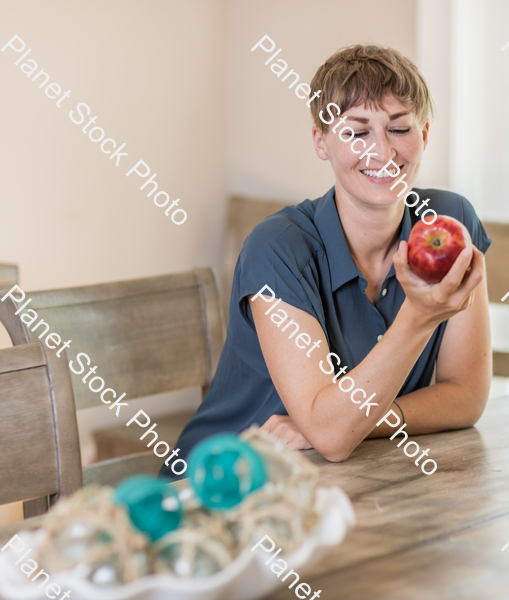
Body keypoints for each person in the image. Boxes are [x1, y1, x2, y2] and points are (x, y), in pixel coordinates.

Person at [161, 45, 491, 478]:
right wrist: (421, 317)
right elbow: (333, 440)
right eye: (357, 131)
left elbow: (465, 397)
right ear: (322, 141)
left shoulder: (447, 223)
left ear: (424, 135)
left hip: (343, 481)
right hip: (224, 488)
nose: (383, 151)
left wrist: (345, 423)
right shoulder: (277, 248)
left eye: (400, 128)